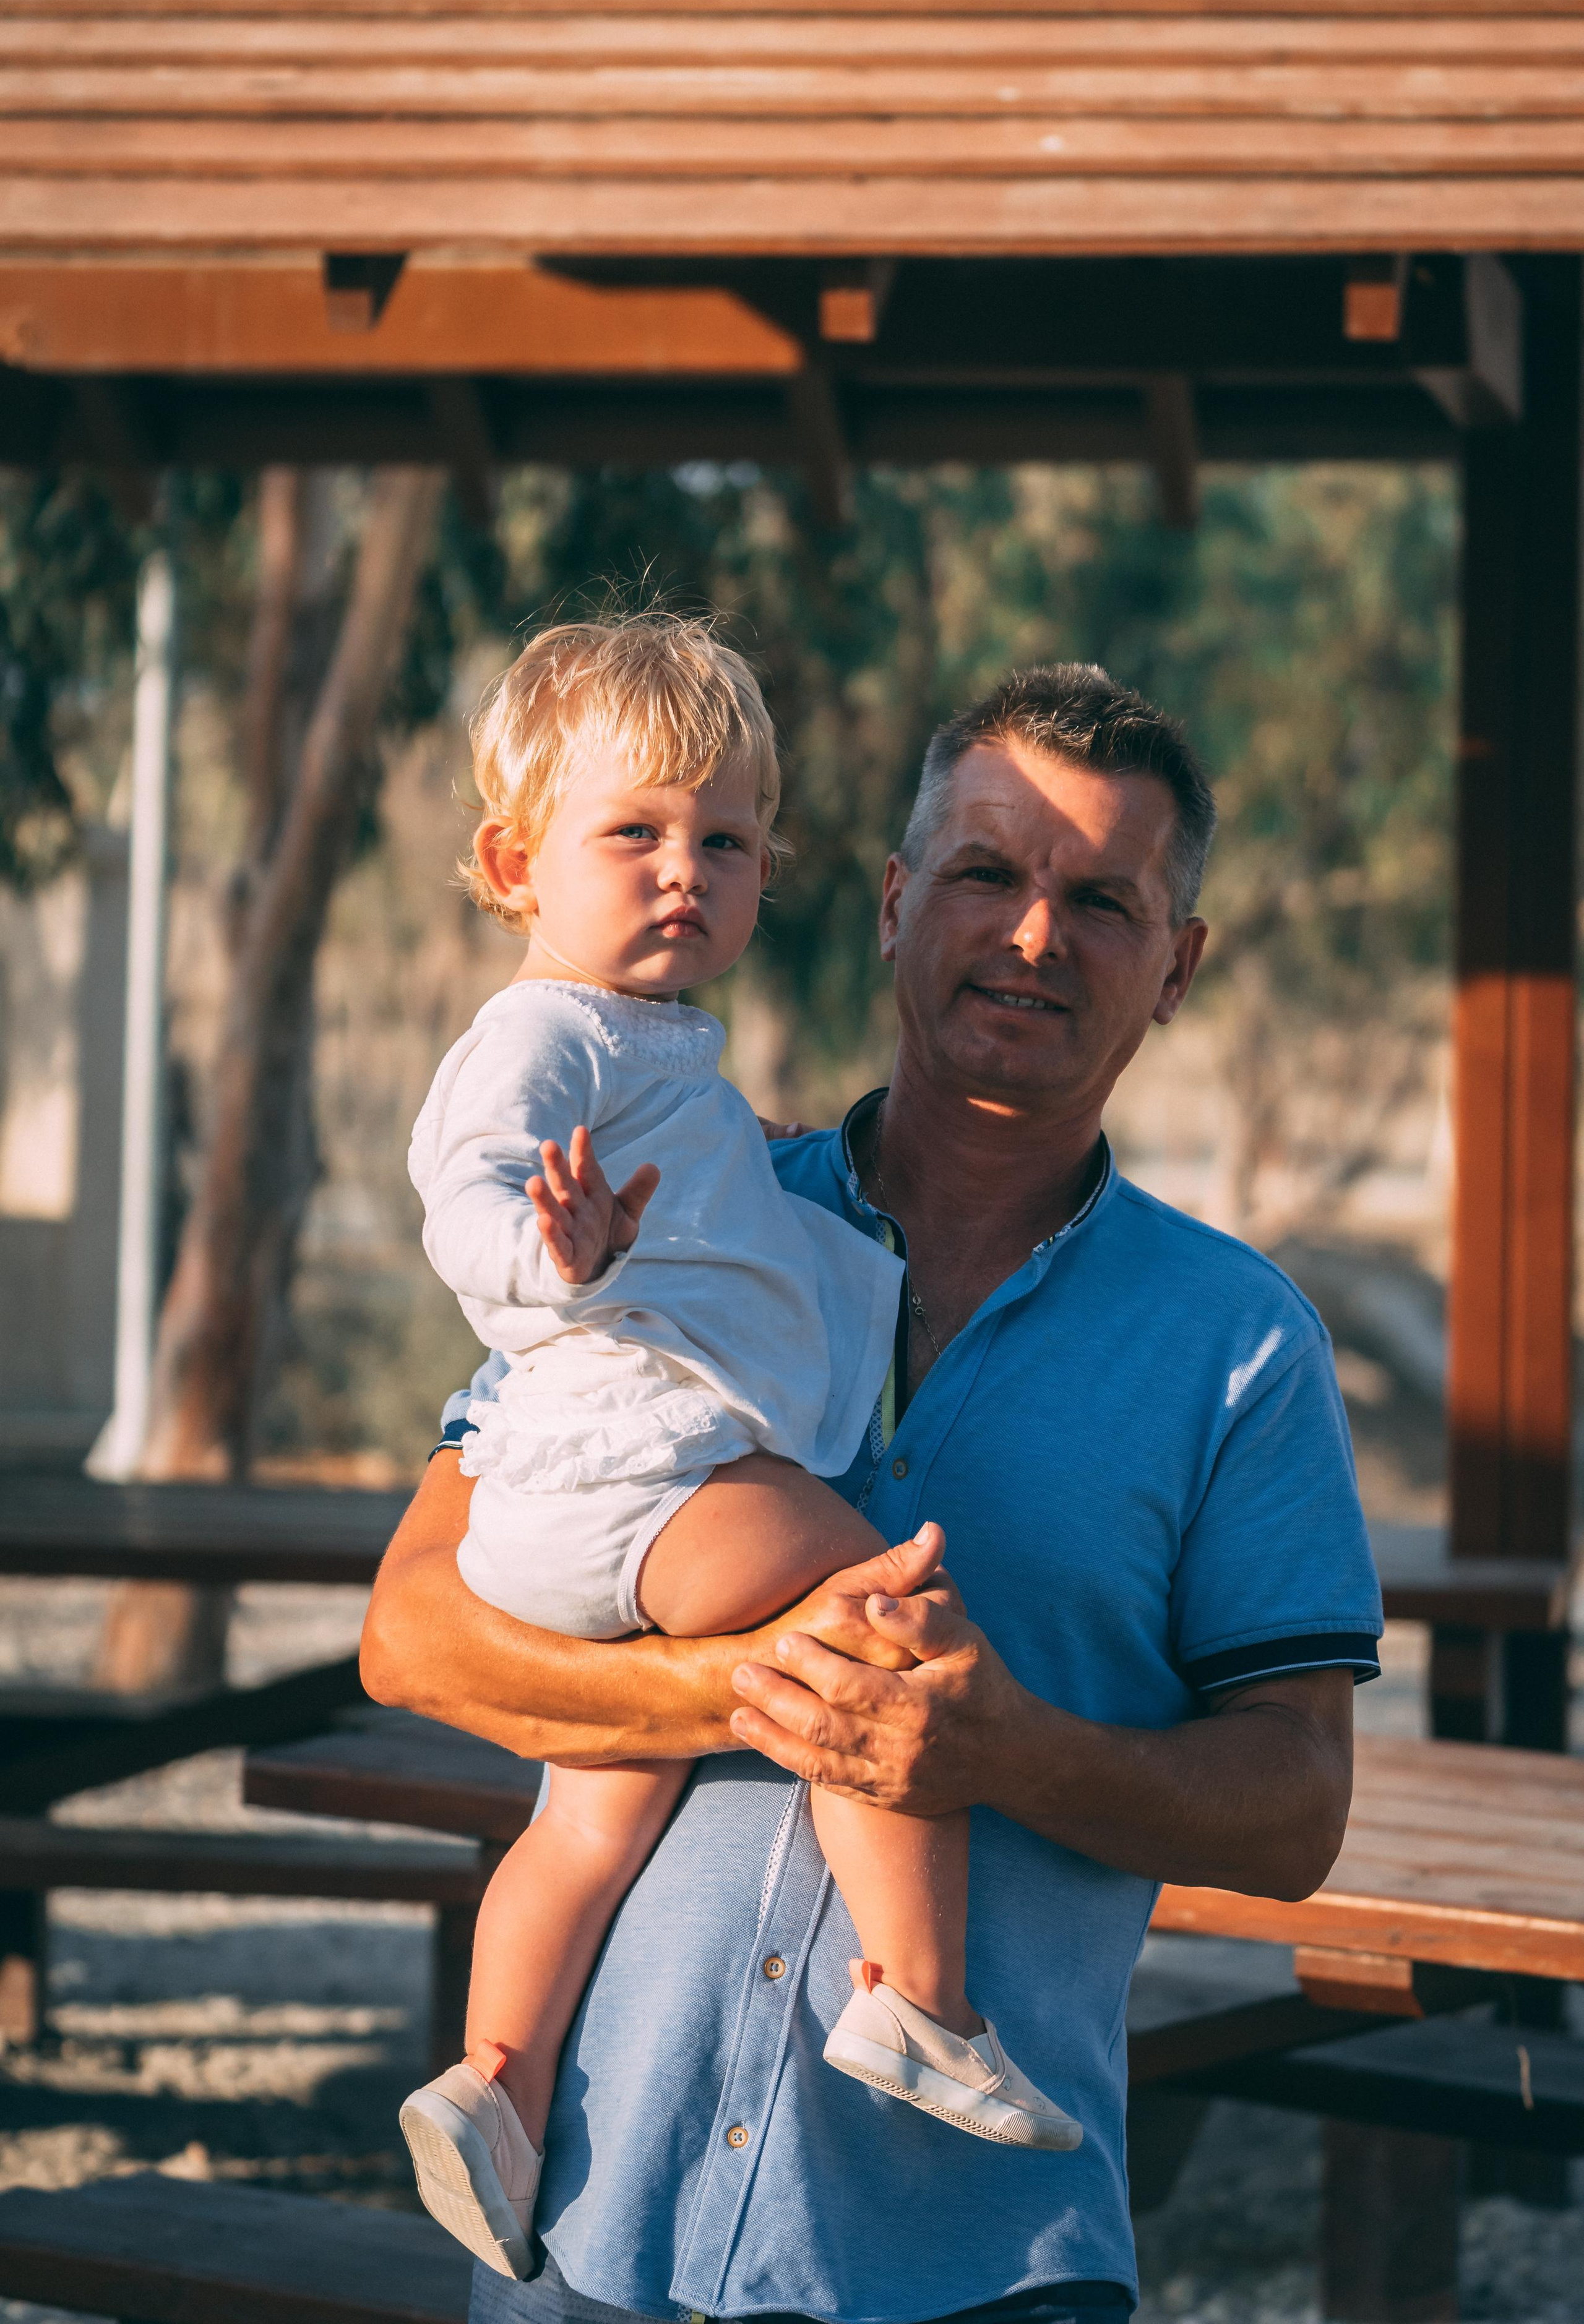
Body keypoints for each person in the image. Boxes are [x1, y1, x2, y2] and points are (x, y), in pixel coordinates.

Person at [363, 656, 1383, 2324]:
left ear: (1178, 965)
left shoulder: (1243, 1352)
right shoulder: (668, 1206)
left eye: (1102, 900)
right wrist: (730, 1685)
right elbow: (412, 1635)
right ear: (901, 901)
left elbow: (1295, 1811)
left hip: (974, 2268)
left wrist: (1009, 1752)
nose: (1034, 933)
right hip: (594, 2248)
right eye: (987, 872)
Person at [399, 619, 1079, 2286]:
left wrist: (735, 1166)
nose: (683, 872)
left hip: (575, 1507)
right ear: (514, 860)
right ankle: (920, 2000)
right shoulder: (544, 1032)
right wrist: (540, 1252)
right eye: (633, 834)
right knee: (871, 1609)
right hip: (643, 1477)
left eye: (725, 841)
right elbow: (463, 1185)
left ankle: (493, 2084)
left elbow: (682, 1194)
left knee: (586, 1821)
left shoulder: (661, 1057)